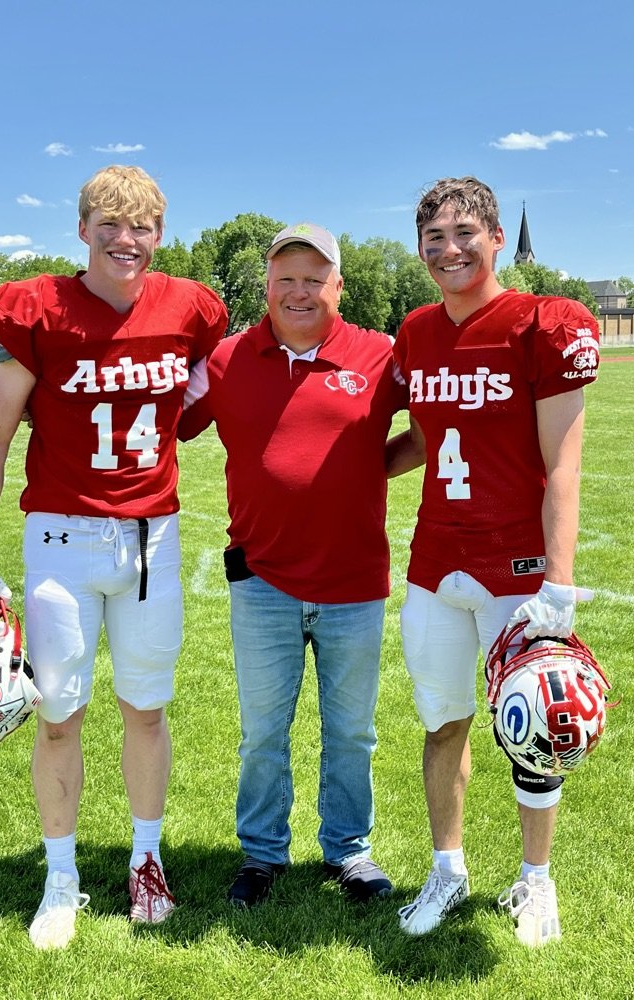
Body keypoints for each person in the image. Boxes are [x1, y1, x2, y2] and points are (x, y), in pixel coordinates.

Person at [0, 165, 228, 949]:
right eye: (109, 223)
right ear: (82, 230)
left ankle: (145, 859)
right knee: (59, 715)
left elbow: (206, 395)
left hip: (151, 543)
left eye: (140, 226)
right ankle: (61, 873)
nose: (124, 239)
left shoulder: (191, 309)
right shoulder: (37, 310)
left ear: (160, 235)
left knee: (146, 708)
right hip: (61, 541)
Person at [386, 176, 599, 945]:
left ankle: (535, 882)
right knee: (443, 725)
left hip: (517, 568)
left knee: (535, 728)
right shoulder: (415, 332)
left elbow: (563, 465)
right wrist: (354, 469)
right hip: (436, 562)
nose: (449, 249)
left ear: (497, 238)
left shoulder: (542, 323)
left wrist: (559, 584)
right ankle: (448, 870)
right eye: (434, 237)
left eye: (464, 233)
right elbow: (426, 436)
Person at [179, 223, 407, 906]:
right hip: (263, 581)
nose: (299, 291)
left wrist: (368, 468)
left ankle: (349, 851)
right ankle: (261, 855)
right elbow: (161, 416)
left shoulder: (381, 354)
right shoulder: (225, 360)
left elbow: (435, 424)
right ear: (267, 287)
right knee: (261, 734)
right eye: (286, 279)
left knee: (352, 732)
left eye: (315, 278)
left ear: (339, 285)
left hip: (353, 581)